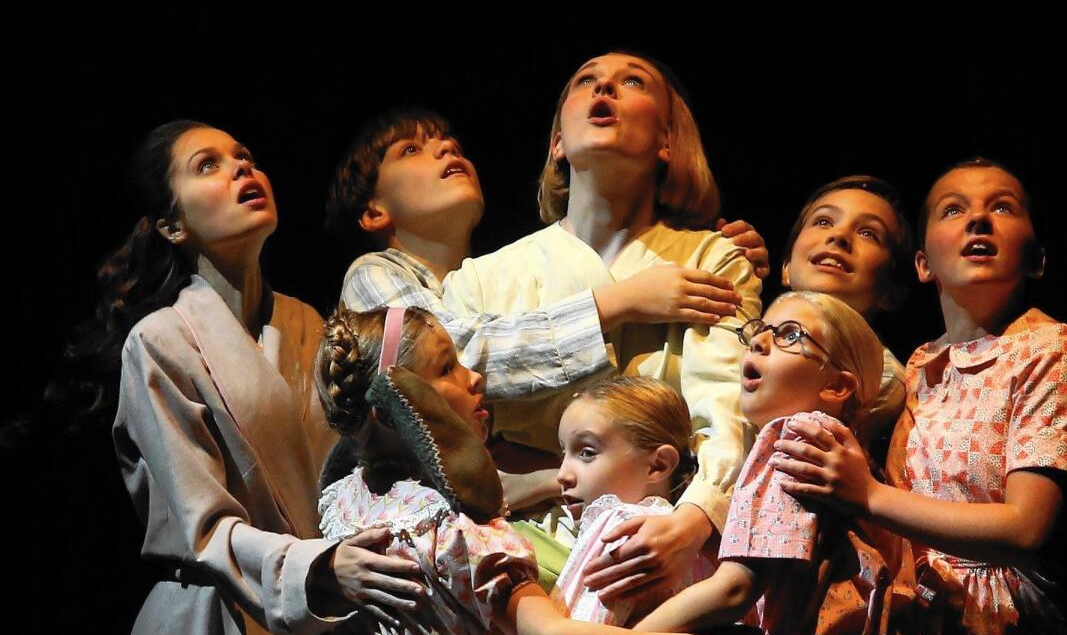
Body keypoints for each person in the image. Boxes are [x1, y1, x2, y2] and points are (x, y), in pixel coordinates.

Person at [89, 122, 428, 635]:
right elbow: (202, 525)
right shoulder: (159, 342)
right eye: (208, 165)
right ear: (171, 225)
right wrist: (320, 565)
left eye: (246, 156)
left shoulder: (312, 327)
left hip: (320, 629)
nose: (243, 169)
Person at [314, 308, 753, 635]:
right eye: (448, 368)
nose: (474, 376)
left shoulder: (345, 504)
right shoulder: (460, 530)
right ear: (398, 404)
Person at [774, 160, 1067, 635]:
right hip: (918, 633)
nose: (978, 218)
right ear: (922, 264)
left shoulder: (1052, 349)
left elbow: (1025, 525)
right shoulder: (916, 369)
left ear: (1036, 257)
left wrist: (864, 494)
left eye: (1003, 207)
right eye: (954, 209)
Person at [632, 291, 977, 635]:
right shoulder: (848, 464)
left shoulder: (795, 439)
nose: (764, 340)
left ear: (837, 386)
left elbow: (734, 589)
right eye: (759, 332)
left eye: (790, 335)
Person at [326, 107, 766, 510]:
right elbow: (455, 353)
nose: (445, 149)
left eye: (454, 146)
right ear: (373, 212)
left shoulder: (489, 277)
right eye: (411, 150)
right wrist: (619, 301)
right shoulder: (373, 274)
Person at [442, 52, 762, 595]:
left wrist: (697, 516)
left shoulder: (711, 259)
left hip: (664, 540)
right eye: (586, 81)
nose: (604, 89)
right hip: (509, 547)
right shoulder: (480, 278)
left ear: (666, 141)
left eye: (631, 82)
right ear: (557, 144)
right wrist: (617, 303)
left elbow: (729, 408)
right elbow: (458, 373)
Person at [781, 175, 915, 455]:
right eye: (823, 221)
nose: (838, 236)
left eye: (868, 233)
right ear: (786, 266)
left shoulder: (881, 378)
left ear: (891, 292)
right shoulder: (744, 335)